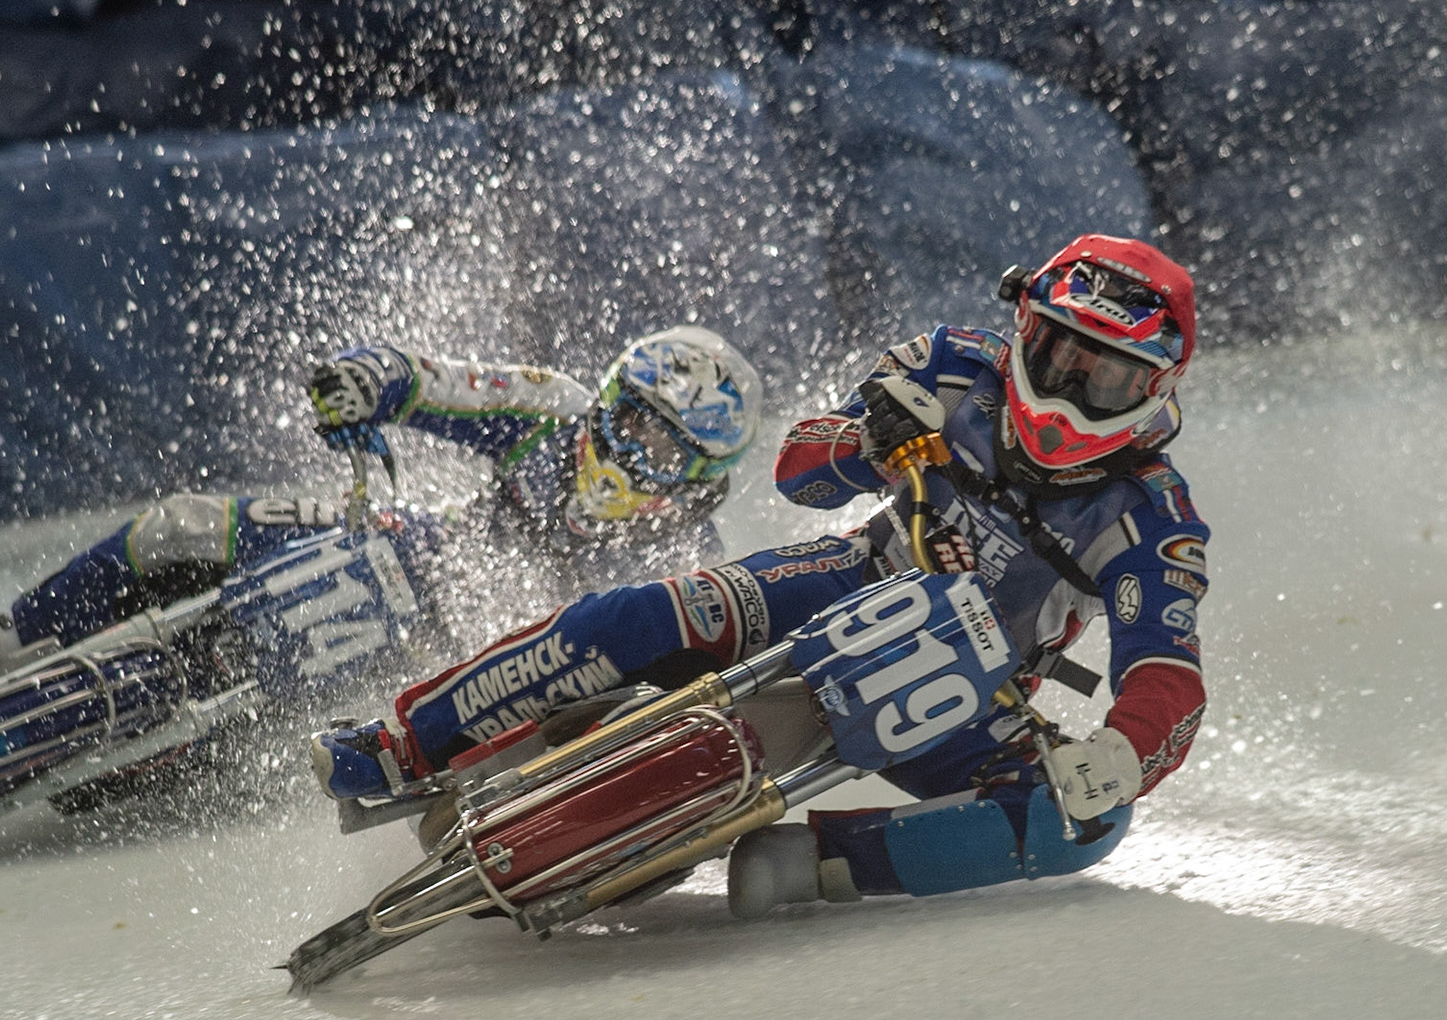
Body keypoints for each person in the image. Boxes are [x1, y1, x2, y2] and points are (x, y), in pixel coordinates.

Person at [311, 234, 1209, 917]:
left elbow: (1167, 674)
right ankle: (401, 741)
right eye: (1060, 354)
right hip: (846, 571)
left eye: (1109, 376)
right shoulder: (950, 363)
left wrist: (1121, 751)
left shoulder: (1152, 517)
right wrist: (866, 444)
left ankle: (823, 863)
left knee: (1084, 825)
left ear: (1158, 388)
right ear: (1025, 330)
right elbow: (796, 469)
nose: (1070, 391)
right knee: (636, 617)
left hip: (977, 682)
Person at [0, 325, 763, 694]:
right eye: (625, 417)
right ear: (605, 396)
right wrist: (367, 379)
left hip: (471, 675)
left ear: (696, 481)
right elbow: (434, 380)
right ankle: (5, 643)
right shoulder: (552, 409)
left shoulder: (689, 570)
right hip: (414, 549)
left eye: (658, 447)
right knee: (182, 524)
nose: (622, 449)